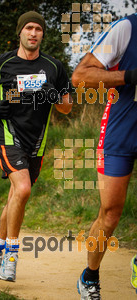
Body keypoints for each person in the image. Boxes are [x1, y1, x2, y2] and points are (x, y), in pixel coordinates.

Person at [0, 11, 72, 282]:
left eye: (38, 29)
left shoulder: (54, 66)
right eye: (28, 28)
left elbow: (66, 106)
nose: (33, 33)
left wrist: (54, 96)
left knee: (17, 195)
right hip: (7, 135)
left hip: (36, 142)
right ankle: (11, 255)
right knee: (24, 188)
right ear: (19, 32)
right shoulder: (2, 63)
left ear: (42, 34)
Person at [72, 13, 137, 299]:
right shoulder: (127, 28)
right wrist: (129, 76)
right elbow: (81, 76)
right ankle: (90, 275)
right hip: (122, 129)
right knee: (110, 212)